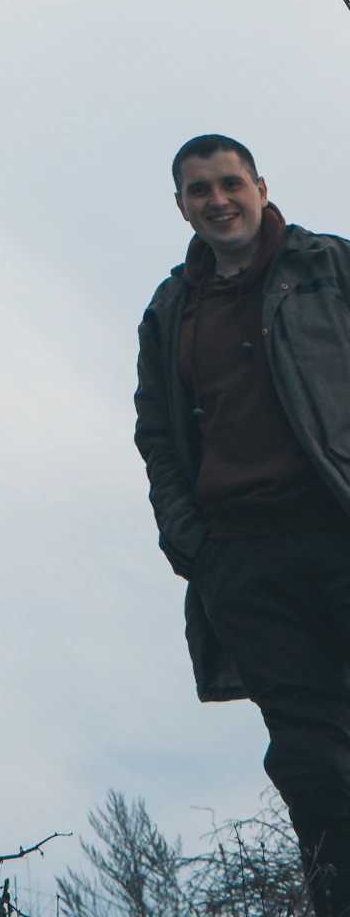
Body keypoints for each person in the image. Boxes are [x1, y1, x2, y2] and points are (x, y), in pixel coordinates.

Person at [135, 137, 350, 917]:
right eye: (199, 190)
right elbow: (156, 432)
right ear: (182, 205)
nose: (217, 199)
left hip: (337, 530)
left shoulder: (328, 266)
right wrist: (189, 539)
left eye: (230, 183)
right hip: (242, 561)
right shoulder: (169, 311)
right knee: (309, 761)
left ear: (261, 186)